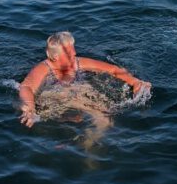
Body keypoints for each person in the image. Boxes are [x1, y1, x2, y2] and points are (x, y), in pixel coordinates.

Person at [19, 31, 150, 129]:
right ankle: (86, 147)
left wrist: (135, 82)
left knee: (106, 115)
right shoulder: (44, 68)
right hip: (54, 95)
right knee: (98, 115)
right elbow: (27, 87)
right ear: (55, 57)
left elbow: (113, 70)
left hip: (77, 91)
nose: (75, 53)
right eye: (69, 53)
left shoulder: (78, 62)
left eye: (73, 49)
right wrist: (30, 108)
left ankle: (90, 144)